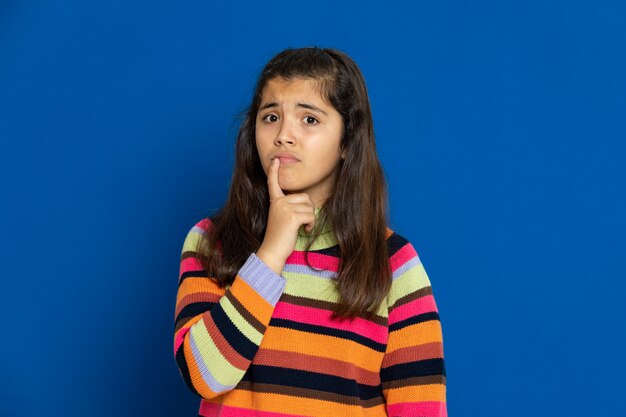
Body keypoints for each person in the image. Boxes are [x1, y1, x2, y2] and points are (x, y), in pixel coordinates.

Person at [173, 47, 447, 417]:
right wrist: (270, 254)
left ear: (347, 142)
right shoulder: (210, 243)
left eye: (310, 120)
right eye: (270, 117)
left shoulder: (394, 263)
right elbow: (204, 376)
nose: (284, 135)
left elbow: (421, 408)